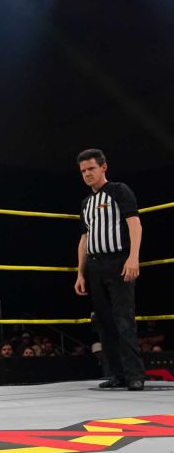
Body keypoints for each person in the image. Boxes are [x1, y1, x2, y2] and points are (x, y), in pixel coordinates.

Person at [74, 149, 145, 391]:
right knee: (103, 322)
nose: (87, 174)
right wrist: (80, 273)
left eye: (91, 169)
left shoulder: (119, 190)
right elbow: (84, 238)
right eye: (83, 171)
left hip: (118, 261)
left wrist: (133, 257)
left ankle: (134, 374)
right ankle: (117, 374)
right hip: (95, 266)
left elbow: (134, 224)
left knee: (124, 319)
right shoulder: (86, 203)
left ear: (103, 167)